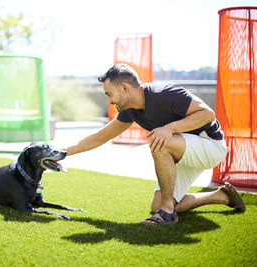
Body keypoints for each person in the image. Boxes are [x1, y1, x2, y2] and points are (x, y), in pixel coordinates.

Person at [63, 64, 246, 225]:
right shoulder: (130, 110)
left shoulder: (164, 93)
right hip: (183, 151)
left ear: (124, 87)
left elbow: (207, 114)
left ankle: (167, 212)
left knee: (160, 140)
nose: (109, 101)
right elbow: (100, 136)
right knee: (155, 205)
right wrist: (62, 152)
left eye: (110, 94)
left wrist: (169, 129)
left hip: (211, 146)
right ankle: (220, 196)